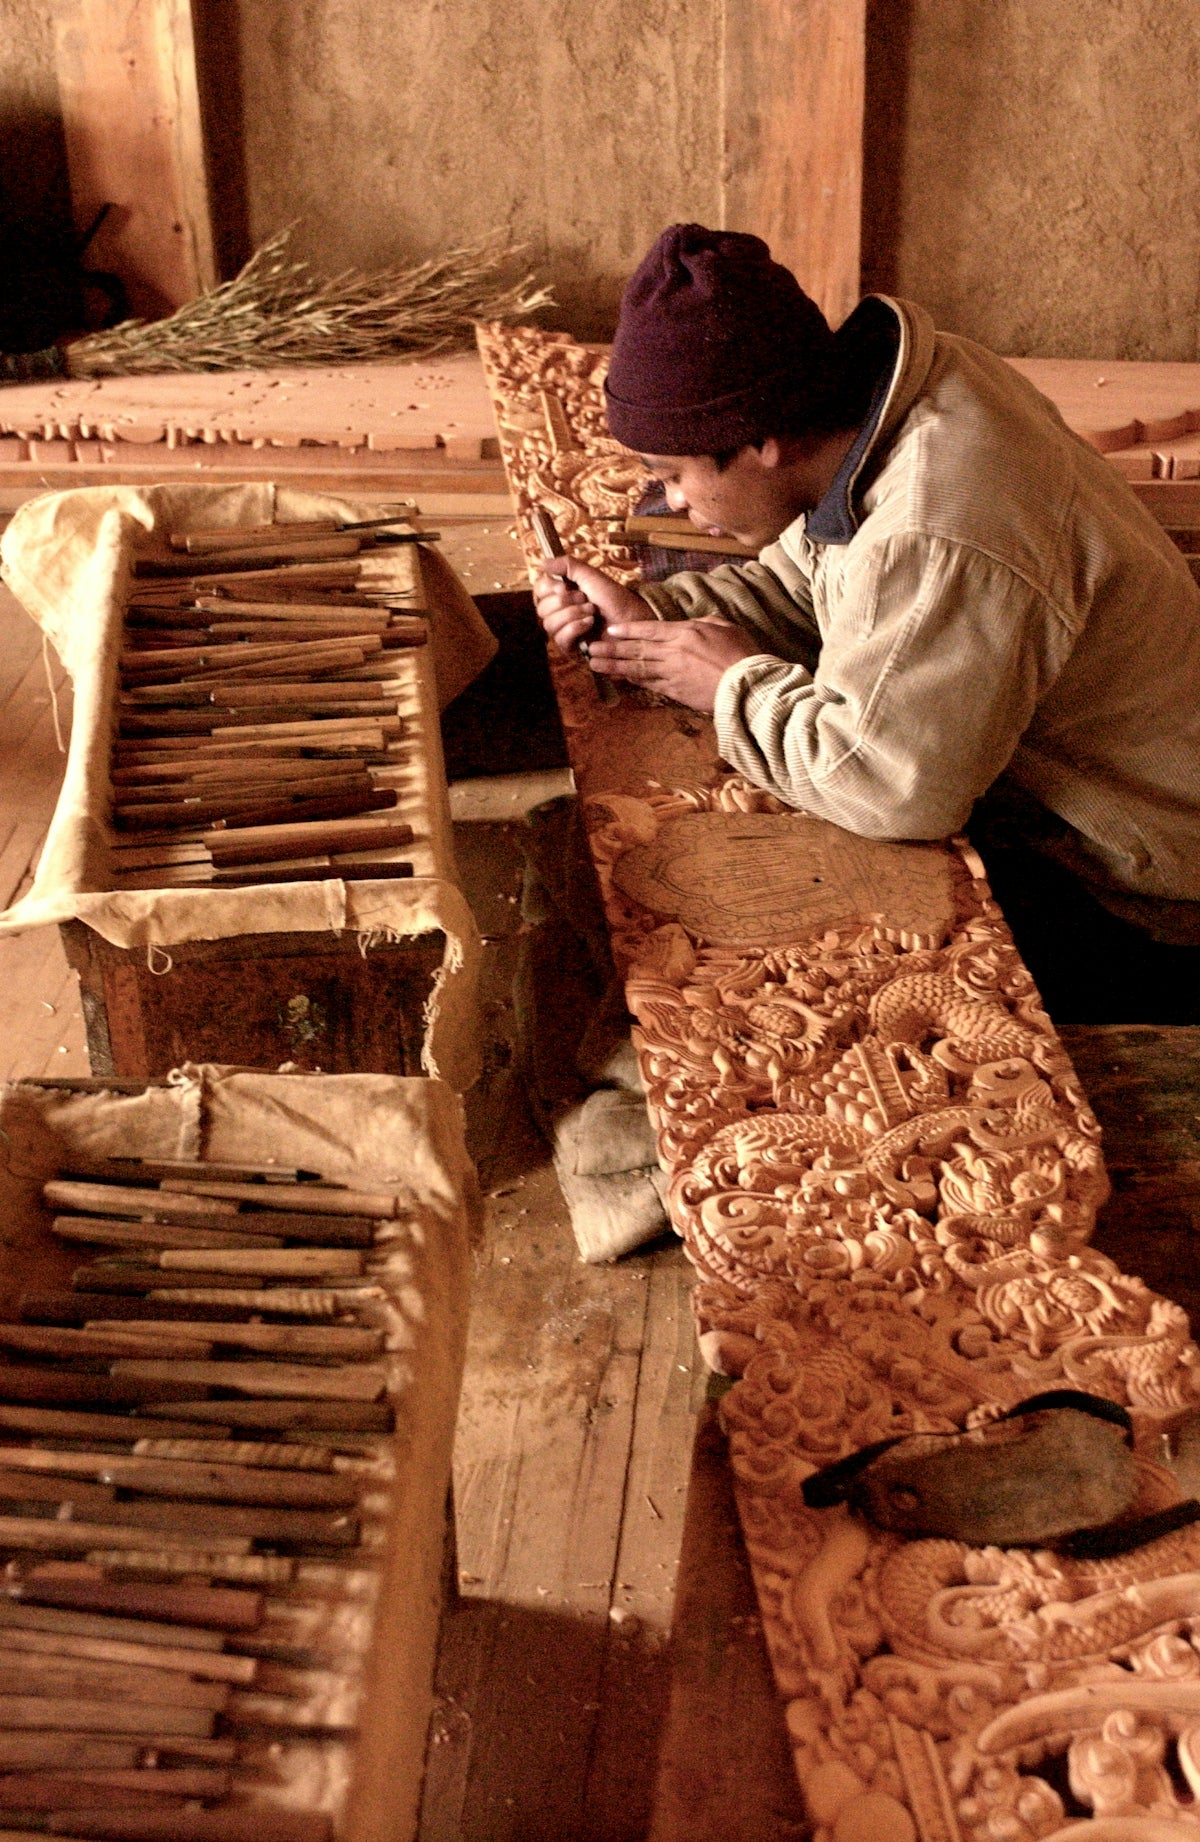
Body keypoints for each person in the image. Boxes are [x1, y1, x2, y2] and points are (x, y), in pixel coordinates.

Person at [533, 223, 1200, 1020]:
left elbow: (891, 791)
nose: (672, 504)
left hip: (1150, 893)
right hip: (1070, 804)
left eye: (674, 476)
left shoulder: (940, 527)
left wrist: (729, 686)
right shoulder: (894, 407)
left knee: (817, 982)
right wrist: (655, 616)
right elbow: (826, 585)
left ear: (763, 442)